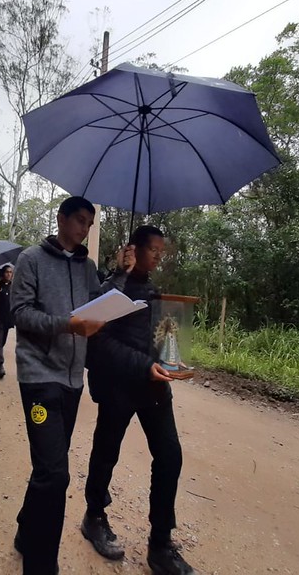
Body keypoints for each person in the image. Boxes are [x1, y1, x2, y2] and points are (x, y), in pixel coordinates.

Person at [10, 196, 134, 575]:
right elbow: (19, 313)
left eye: (89, 224)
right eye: (80, 220)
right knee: (55, 472)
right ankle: (40, 565)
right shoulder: (31, 259)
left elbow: (97, 302)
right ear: (61, 219)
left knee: (48, 467)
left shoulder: (87, 266)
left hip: (71, 380)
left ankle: (24, 531)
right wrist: (68, 324)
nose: (84, 228)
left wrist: (121, 273)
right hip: (38, 380)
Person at [82, 225, 196, 575]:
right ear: (135, 249)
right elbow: (99, 341)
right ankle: (94, 515)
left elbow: (162, 340)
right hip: (119, 386)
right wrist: (145, 365)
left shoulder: (154, 291)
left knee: (170, 457)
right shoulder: (112, 287)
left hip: (154, 390)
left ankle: (160, 544)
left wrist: (172, 361)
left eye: (162, 251)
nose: (159, 257)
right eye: (154, 250)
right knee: (106, 451)